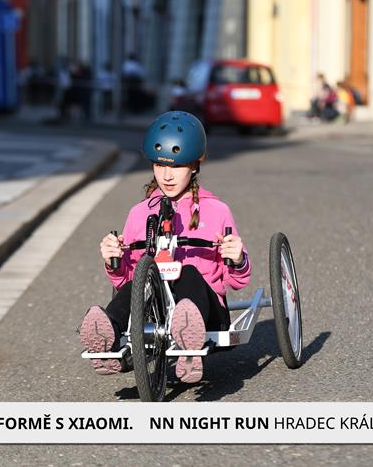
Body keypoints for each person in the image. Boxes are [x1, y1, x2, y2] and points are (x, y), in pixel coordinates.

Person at [79, 111, 251, 383]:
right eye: (160, 166)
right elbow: (126, 279)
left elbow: (236, 282)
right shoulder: (139, 213)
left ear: (195, 165)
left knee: (188, 271)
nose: (167, 176)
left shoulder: (217, 210)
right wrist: (113, 260)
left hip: (208, 314)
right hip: (154, 312)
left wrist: (237, 258)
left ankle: (189, 330)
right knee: (140, 281)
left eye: (177, 166)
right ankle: (107, 330)